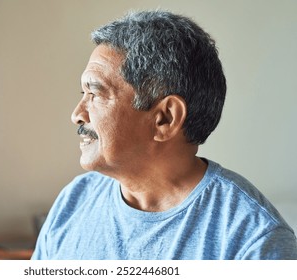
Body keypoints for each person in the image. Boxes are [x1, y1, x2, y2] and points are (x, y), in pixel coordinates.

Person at [31, 10, 297, 260]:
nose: (77, 114)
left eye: (96, 94)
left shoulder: (253, 240)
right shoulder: (74, 201)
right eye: (83, 94)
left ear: (165, 118)